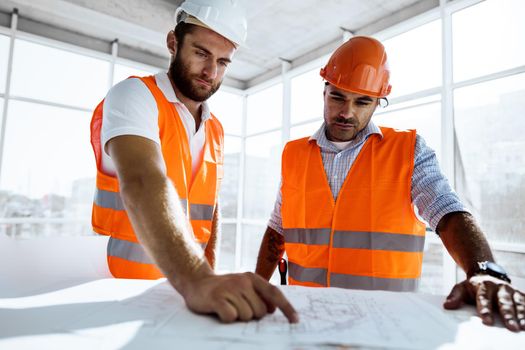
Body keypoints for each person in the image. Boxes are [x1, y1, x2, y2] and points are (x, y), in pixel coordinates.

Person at [255, 36, 524, 332]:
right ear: (324, 91)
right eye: (338, 97)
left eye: (362, 102)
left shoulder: (409, 150)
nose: (347, 112)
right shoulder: (294, 154)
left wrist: (483, 269)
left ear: (379, 102)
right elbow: (278, 228)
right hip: (305, 315)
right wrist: (257, 283)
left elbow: (447, 210)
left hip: (383, 324)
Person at [90, 0, 298, 324]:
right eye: (201, 53)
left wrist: (209, 274)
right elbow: (144, 180)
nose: (211, 72)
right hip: (123, 295)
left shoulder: (214, 129)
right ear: (173, 43)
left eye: (223, 62)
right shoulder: (134, 96)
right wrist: (199, 279)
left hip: (187, 303)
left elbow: (210, 208)